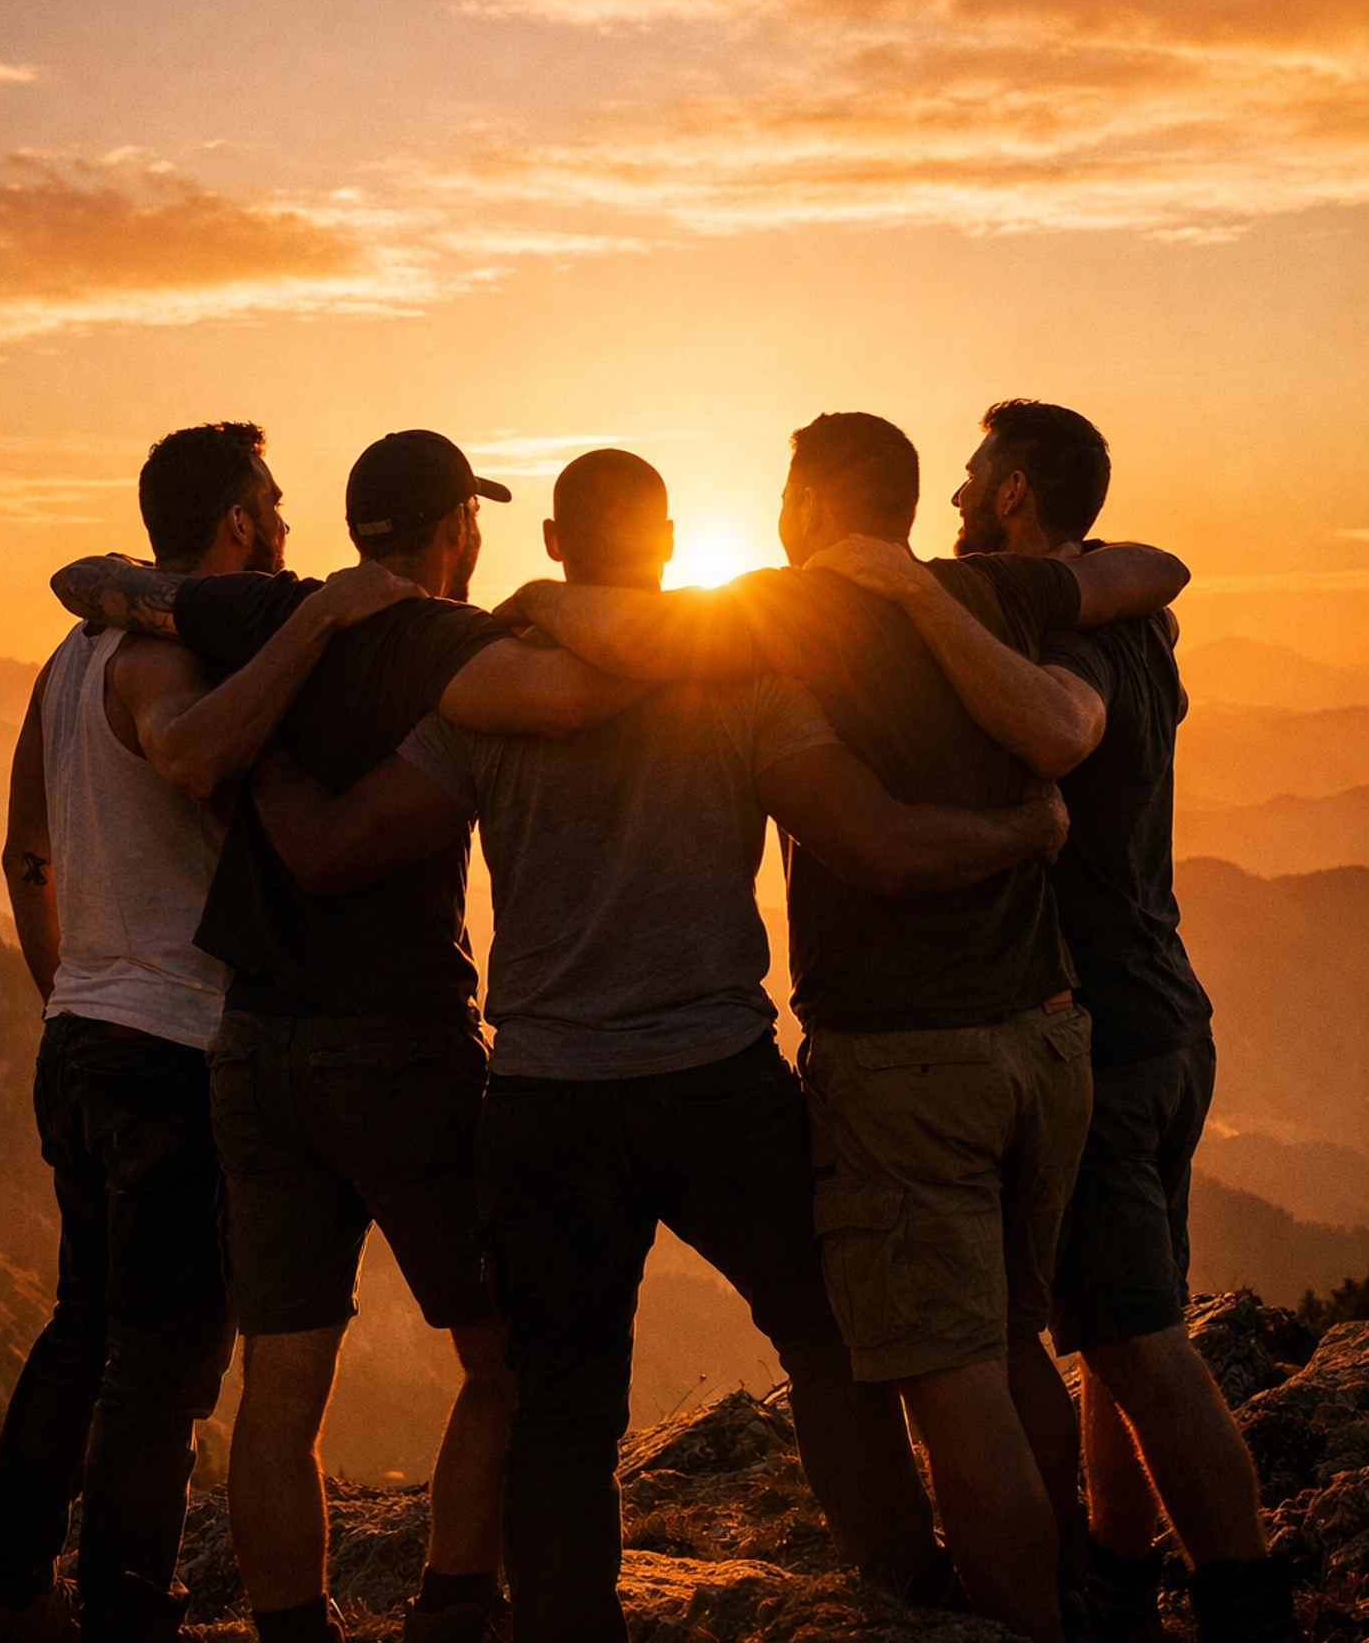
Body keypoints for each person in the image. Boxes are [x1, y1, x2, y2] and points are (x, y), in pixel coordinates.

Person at [247, 447, 1073, 1643]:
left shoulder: (489, 699)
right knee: (827, 1338)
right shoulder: (736, 682)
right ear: (676, 541)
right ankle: (902, 1592)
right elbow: (882, 847)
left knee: (565, 1407)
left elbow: (329, 851)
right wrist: (1022, 829)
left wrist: (256, 758)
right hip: (716, 1086)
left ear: (550, 548)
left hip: (542, 1101)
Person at [491, 412, 1190, 1643]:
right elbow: (1153, 571)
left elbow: (869, 839)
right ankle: (996, 1590)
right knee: (923, 1339)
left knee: (585, 1391)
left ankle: (976, 1613)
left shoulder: (749, 628)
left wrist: (535, 608)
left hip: (711, 1069)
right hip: (981, 1041)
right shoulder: (970, 599)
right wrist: (1020, 834)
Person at [50, 430, 656, 1643]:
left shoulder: (261, 612)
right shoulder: (438, 640)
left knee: (284, 1374)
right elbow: (575, 694)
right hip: (395, 1045)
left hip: (253, 1043)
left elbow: (87, 579)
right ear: (454, 532)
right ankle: (452, 1603)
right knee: (504, 1355)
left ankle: (294, 1629)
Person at [0, 423, 412, 1643]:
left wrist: (69, 991)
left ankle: (7, 1599)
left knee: (85, 1330)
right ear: (235, 522)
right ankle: (123, 1615)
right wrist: (320, 626)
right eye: (271, 501)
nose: (283, 519)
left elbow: (24, 852)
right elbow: (187, 754)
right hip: (170, 1049)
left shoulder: (66, 658)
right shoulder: (162, 657)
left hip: (85, 1036)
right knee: (164, 1369)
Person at [942, 400, 1294, 1643]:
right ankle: (1118, 1572)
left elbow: (1061, 727)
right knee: (1109, 1324)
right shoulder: (1135, 615)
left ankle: (1249, 1610)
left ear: (1021, 493)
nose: (956, 496)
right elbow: (1164, 582)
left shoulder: (1074, 645)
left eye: (975, 477)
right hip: (1169, 1009)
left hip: (1109, 1033)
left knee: (1139, 1341)